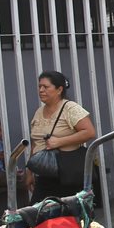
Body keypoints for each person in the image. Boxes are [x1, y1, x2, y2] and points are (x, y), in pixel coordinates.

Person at [28, 70, 98, 202]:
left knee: (67, 215)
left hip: (67, 173)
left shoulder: (70, 108)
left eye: (46, 87)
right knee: (38, 214)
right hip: (45, 174)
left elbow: (89, 132)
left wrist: (60, 142)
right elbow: (35, 143)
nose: (41, 90)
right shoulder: (38, 112)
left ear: (59, 89)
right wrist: (29, 172)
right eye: (39, 87)